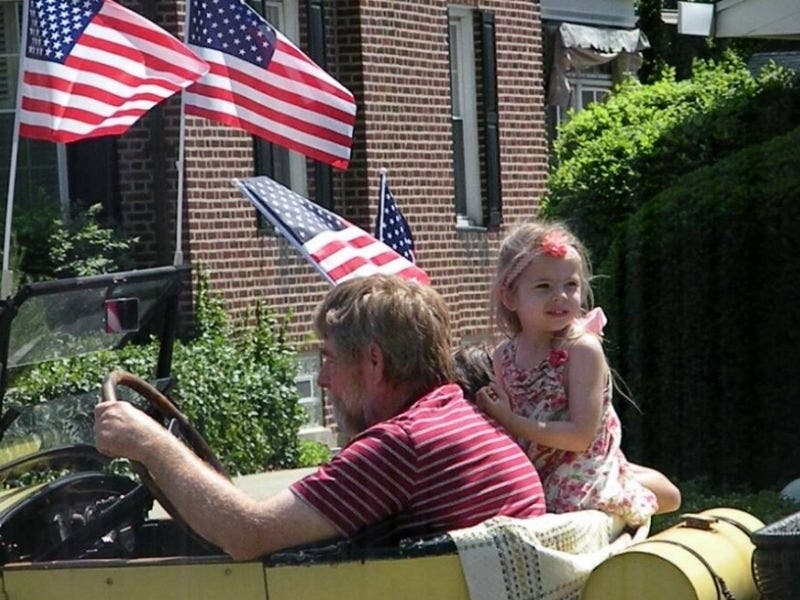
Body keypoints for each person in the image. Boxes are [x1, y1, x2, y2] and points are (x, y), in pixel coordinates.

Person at [95, 274, 546, 560]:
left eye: (328, 358)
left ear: (373, 362)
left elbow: (247, 534)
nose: (322, 379)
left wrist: (150, 443)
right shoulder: (458, 417)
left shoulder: (402, 445)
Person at [477, 220, 680, 526]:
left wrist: (510, 420)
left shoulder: (581, 349)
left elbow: (580, 437)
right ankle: (622, 471)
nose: (560, 295)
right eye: (543, 286)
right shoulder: (504, 356)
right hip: (534, 464)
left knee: (569, 507)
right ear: (510, 297)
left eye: (570, 285)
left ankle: (621, 476)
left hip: (577, 462)